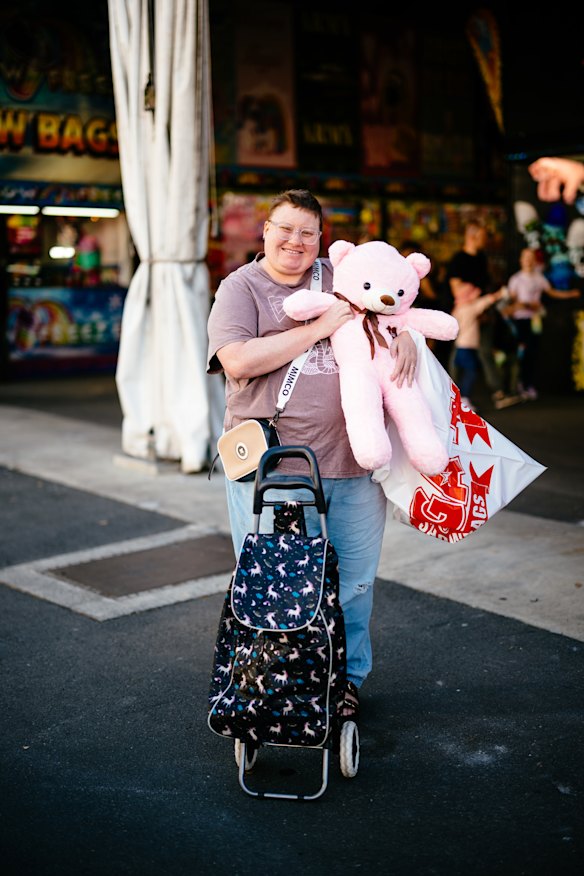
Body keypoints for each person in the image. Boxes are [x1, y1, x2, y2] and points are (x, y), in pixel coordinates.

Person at [207, 189, 418, 720]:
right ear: (266, 229)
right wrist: (319, 329)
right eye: (285, 228)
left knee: (354, 584)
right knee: (273, 582)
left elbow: (394, 305)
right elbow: (237, 361)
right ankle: (272, 679)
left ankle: (343, 682)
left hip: (352, 465)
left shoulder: (341, 275)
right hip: (272, 471)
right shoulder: (241, 288)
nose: (294, 241)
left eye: (307, 232)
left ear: (323, 239)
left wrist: (409, 335)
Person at [447, 220, 520, 409]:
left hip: (484, 313)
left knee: (484, 352)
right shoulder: (458, 260)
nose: (485, 240)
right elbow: (457, 291)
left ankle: (498, 392)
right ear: (472, 237)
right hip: (469, 314)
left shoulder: (481, 257)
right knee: (460, 353)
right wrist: (477, 301)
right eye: (482, 236)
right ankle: (451, 395)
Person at [505, 247, 581, 400]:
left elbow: (552, 292)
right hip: (520, 321)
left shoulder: (539, 278)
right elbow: (511, 303)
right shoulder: (516, 279)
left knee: (533, 353)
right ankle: (518, 384)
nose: (528, 260)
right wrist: (523, 305)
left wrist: (570, 294)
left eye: (531, 257)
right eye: (525, 257)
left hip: (535, 321)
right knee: (521, 353)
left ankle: (528, 384)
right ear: (521, 260)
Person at [451, 282, 507, 411]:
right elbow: (486, 301)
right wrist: (501, 294)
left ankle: (460, 399)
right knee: (471, 372)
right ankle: (463, 398)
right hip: (466, 347)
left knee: (464, 373)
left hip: (460, 346)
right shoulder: (469, 309)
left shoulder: (458, 309)